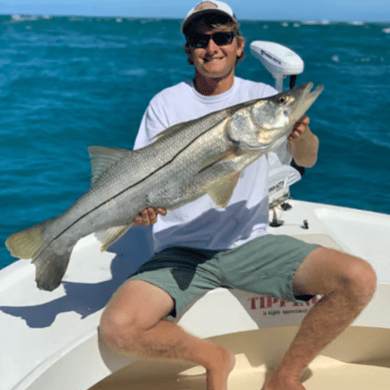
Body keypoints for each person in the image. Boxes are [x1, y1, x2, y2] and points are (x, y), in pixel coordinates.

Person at [99, 2, 377, 390]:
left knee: (358, 278)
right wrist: (139, 212)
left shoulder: (261, 96)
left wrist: (302, 134)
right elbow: (140, 178)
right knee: (117, 328)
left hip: (247, 243)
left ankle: (284, 376)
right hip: (179, 250)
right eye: (200, 40)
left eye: (222, 37)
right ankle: (215, 357)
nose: (212, 47)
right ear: (188, 50)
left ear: (239, 45)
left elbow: (305, 161)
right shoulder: (164, 104)